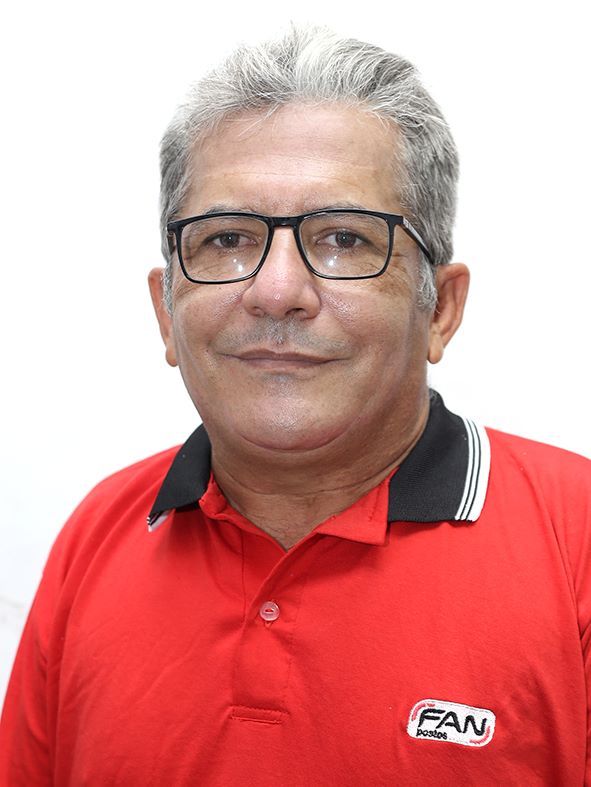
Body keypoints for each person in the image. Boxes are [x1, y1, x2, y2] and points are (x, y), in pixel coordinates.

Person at [1, 26, 590, 786]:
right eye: (226, 239)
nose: (276, 290)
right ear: (165, 312)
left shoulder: (575, 542)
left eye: (344, 237)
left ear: (440, 309)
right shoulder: (98, 535)